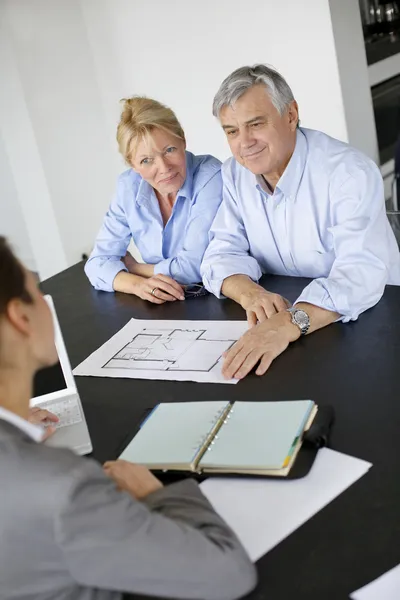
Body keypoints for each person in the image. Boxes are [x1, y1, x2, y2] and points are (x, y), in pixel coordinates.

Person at [0, 236, 257, 599]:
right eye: (36, 289)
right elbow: (227, 574)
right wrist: (156, 495)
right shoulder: (65, 490)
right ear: (21, 318)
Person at [201, 64, 400, 380]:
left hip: (370, 323)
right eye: (232, 130)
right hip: (290, 329)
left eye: (256, 124)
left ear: (291, 115)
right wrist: (250, 294)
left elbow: (359, 274)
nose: (245, 142)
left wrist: (288, 323)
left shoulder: (348, 173)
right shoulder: (234, 173)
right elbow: (221, 253)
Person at [85, 97, 222, 304]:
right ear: (132, 164)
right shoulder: (128, 187)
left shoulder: (210, 175)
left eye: (169, 150)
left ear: (182, 140)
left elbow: (194, 267)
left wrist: (135, 269)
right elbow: (96, 264)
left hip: (216, 299)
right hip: (164, 303)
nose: (164, 168)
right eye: (146, 160)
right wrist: (137, 285)